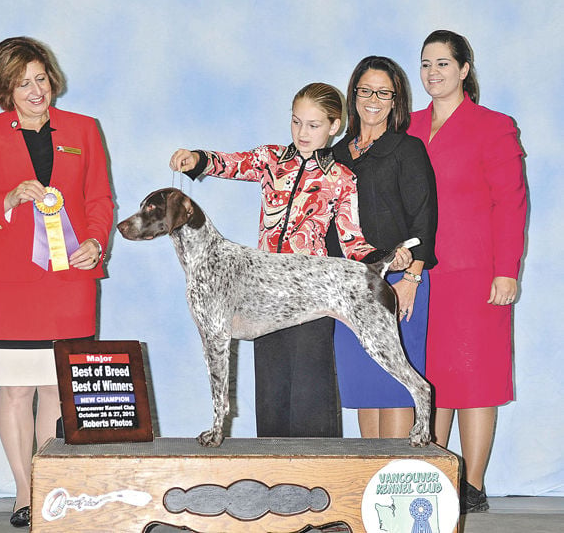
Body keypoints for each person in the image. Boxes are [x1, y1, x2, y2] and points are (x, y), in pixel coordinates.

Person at [169, 83, 411, 439]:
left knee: (311, 392)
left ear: (334, 126)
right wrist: (197, 158)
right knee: (272, 391)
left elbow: (351, 238)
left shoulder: (342, 178)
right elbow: (232, 163)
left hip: (311, 292)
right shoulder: (270, 160)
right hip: (261, 289)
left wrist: (388, 256)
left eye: (313, 125)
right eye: (296, 122)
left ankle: (320, 478)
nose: (302, 132)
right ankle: (275, 480)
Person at [0, 37, 114, 528]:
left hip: (71, 279)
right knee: (17, 391)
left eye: (41, 78)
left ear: (52, 79)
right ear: (5, 89)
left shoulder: (84, 129)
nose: (35, 90)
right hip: (8, 283)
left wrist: (94, 241)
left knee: (57, 387)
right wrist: (7, 198)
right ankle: (25, 492)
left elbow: (99, 198)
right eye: (23, 83)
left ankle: (50, 484)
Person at [408, 30, 526, 513]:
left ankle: (472, 485)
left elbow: (511, 203)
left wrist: (507, 270)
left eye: (443, 64)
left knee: (475, 378)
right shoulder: (407, 126)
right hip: (420, 273)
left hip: (478, 272)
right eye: (425, 64)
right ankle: (436, 473)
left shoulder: (494, 126)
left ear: (463, 69)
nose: (433, 73)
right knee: (431, 376)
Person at [326, 57, 437, 439]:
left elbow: (424, 218)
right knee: (364, 388)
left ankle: (397, 482)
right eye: (365, 90)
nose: (373, 99)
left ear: (396, 100)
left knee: (396, 387)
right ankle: (373, 485)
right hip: (348, 290)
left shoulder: (408, 150)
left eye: (383, 92)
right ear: (353, 93)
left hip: (399, 285)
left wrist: (411, 279)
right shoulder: (335, 155)